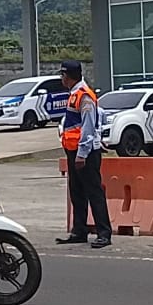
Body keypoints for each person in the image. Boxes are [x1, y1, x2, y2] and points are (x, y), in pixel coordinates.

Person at [55, 60, 112, 249]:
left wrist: (82, 153)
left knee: (93, 192)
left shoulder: (85, 96)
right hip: (74, 151)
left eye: (63, 75)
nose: (61, 78)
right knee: (76, 192)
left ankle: (104, 233)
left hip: (85, 153)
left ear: (69, 76)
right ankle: (79, 231)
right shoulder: (74, 94)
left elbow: (87, 127)